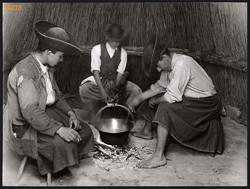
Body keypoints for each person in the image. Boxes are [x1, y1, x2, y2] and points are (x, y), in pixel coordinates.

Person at [3, 21, 95, 176]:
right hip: (23, 126)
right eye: (60, 56)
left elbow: (56, 97)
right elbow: (30, 112)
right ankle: (56, 160)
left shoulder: (47, 68)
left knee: (84, 131)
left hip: (45, 112)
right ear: (48, 52)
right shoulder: (26, 72)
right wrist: (59, 129)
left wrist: (71, 113)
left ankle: (64, 156)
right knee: (65, 143)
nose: (62, 60)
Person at [127, 35, 224, 169]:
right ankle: (146, 132)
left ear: (165, 58)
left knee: (164, 107)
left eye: (158, 66)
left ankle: (159, 156)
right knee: (152, 99)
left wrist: (156, 101)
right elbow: (159, 87)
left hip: (206, 104)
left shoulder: (183, 64)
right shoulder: (170, 66)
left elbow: (172, 96)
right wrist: (138, 98)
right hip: (191, 99)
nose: (158, 70)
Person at [79, 23, 141, 122]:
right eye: (114, 41)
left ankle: (123, 115)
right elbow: (95, 71)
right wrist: (102, 91)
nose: (117, 43)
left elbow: (120, 74)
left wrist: (116, 91)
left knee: (136, 90)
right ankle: (93, 112)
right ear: (107, 37)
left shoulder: (123, 53)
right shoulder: (97, 49)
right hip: (100, 81)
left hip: (115, 82)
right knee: (84, 89)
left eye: (119, 41)